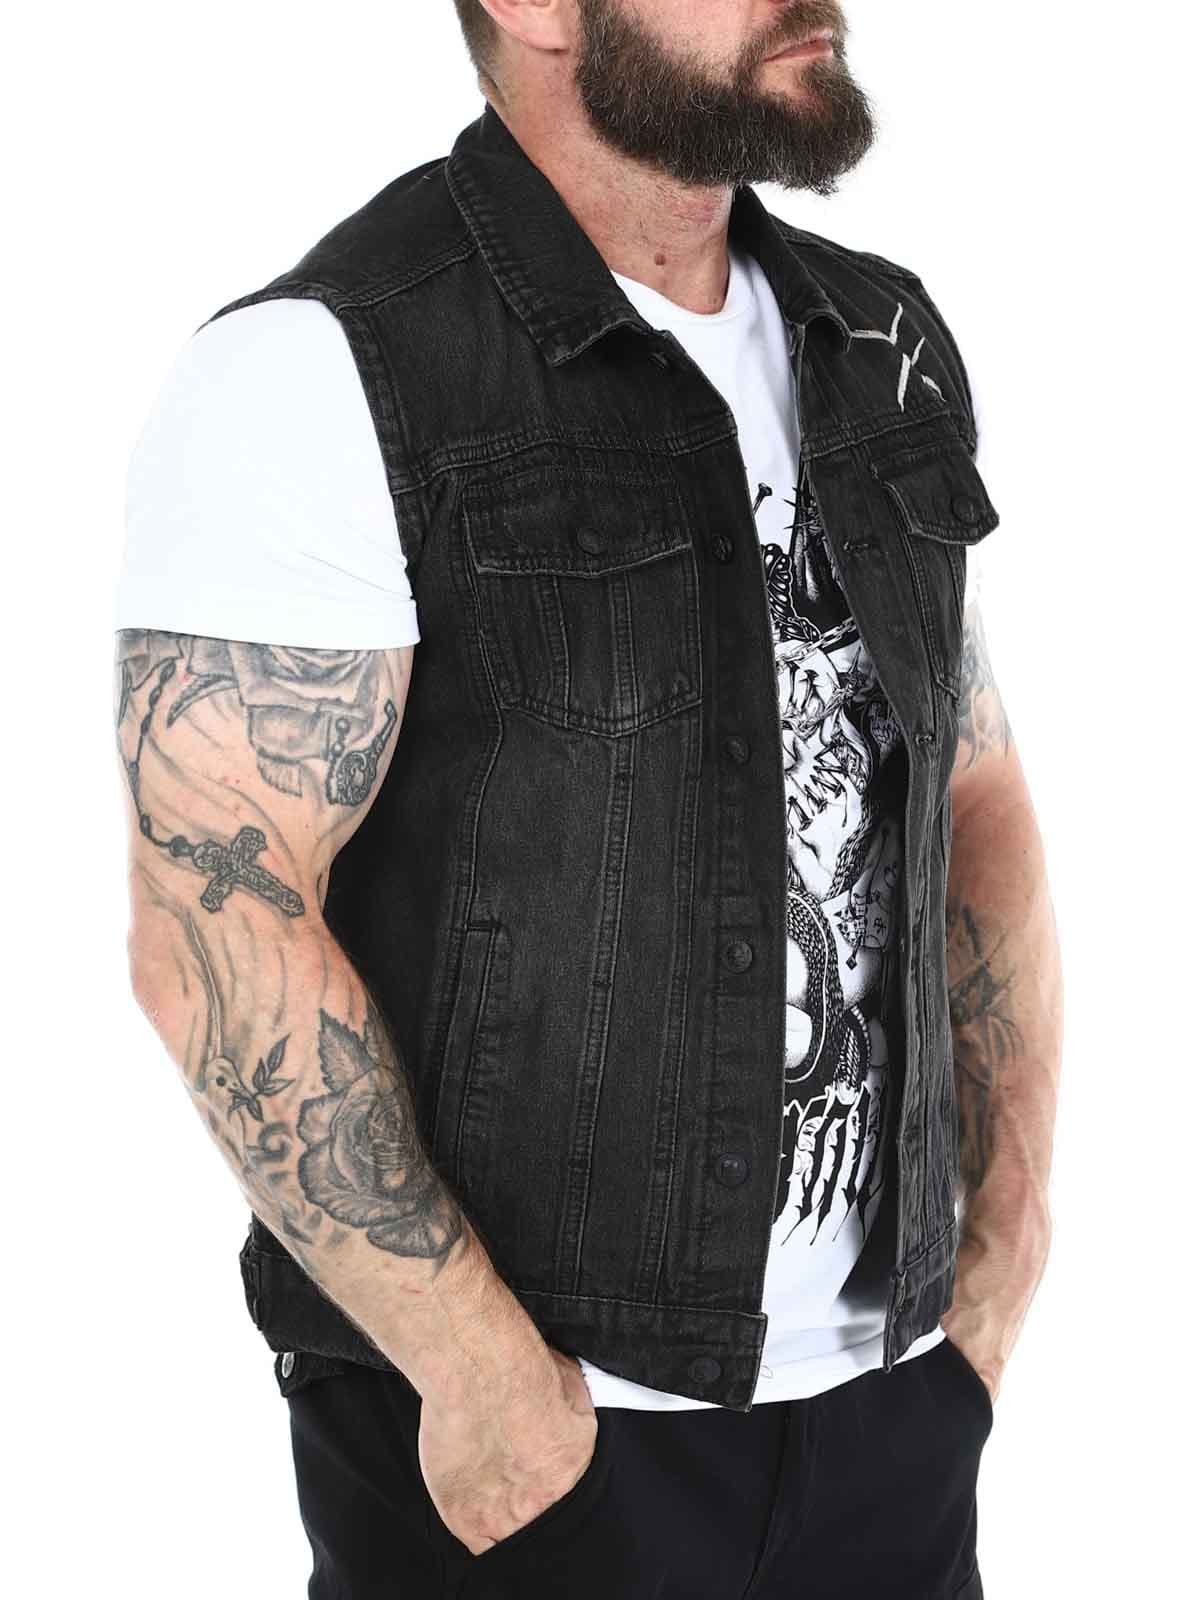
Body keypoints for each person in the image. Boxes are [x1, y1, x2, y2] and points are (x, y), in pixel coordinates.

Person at [113, 3, 1063, 1596]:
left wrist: (1005, 1248)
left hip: (893, 1418)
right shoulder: (323, 369)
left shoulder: (876, 338)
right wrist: (479, 1373)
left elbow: (973, 791)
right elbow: (216, 911)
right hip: (531, 1453)